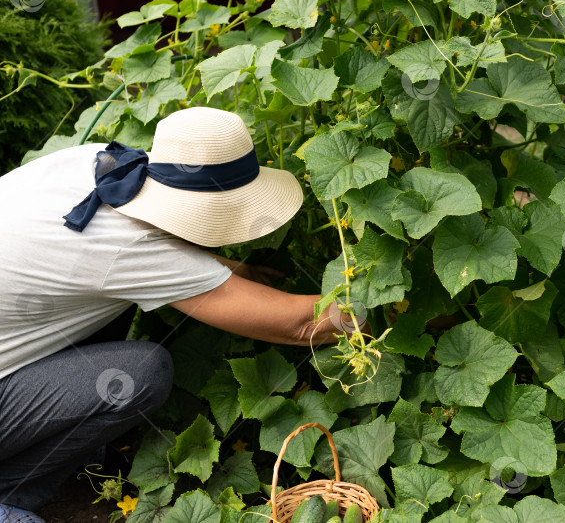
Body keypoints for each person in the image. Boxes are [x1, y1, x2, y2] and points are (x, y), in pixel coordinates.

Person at [0, 107, 353, 521]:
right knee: (143, 373)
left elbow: (139, 252)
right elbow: (302, 324)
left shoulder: (104, 164)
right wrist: (380, 307)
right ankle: (12, 491)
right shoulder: (129, 249)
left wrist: (230, 275)